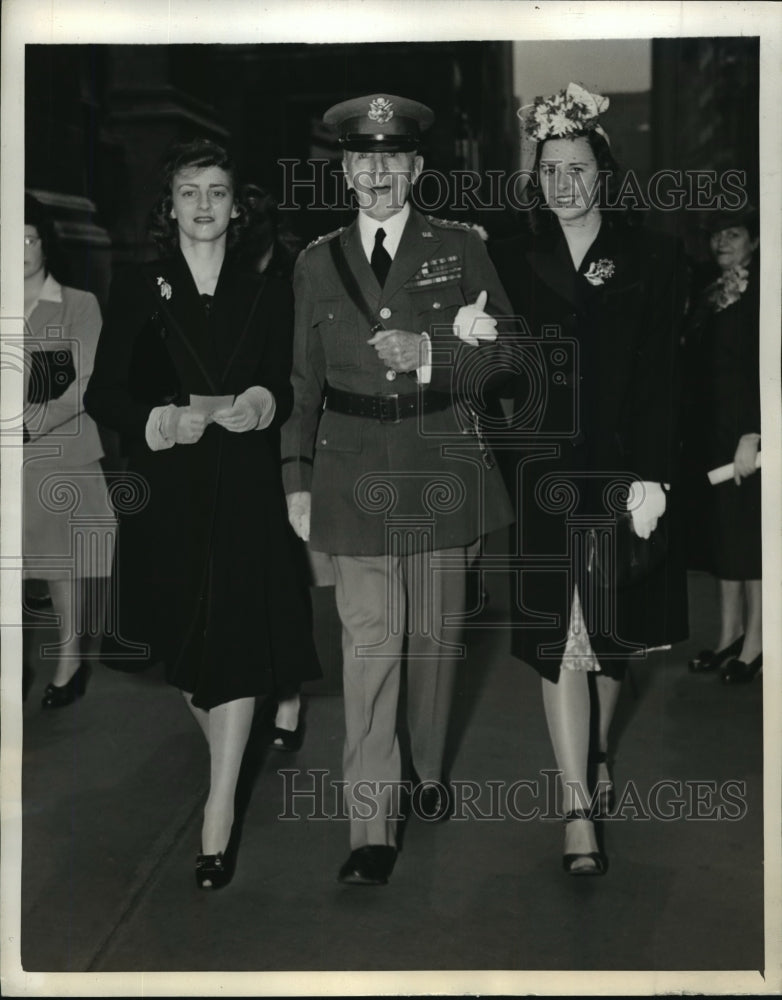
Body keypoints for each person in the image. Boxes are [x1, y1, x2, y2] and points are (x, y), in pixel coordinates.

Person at [281, 93, 515, 886]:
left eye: (393, 159)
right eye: (362, 159)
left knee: (436, 645)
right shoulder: (316, 263)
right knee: (368, 649)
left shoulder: (461, 249)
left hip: (443, 468)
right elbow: (300, 383)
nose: (377, 173)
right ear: (344, 170)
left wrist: (432, 353)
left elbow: (511, 358)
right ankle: (371, 828)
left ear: (416, 168)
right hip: (352, 479)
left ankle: (428, 769)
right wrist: (295, 477)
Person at [84, 138, 321, 889]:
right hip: (171, 490)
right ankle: (239, 747)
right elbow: (103, 394)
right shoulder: (136, 285)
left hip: (245, 489)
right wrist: (158, 419)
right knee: (188, 650)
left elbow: (284, 382)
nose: (205, 206)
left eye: (218, 192)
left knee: (236, 642)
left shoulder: (266, 291)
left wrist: (263, 401)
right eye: (190, 192)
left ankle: (219, 813)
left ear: (237, 207)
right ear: (170, 207)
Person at [490, 83, 688, 875]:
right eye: (549, 171)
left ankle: (598, 751)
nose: (563, 184)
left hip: (622, 475)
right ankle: (577, 808)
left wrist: (657, 480)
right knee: (561, 642)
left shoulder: (656, 259)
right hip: (544, 479)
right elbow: (496, 380)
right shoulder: (508, 260)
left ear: (601, 172)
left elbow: (668, 381)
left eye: (576, 168)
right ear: (535, 180)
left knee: (614, 646)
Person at [22, 193, 116, 708]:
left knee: (61, 567)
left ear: (46, 243)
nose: (19, 251)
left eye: (30, 239)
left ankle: (68, 659)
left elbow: (85, 382)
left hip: (59, 452)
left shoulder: (78, 304)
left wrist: (28, 423)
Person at [685, 207, 761, 683]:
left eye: (733, 234)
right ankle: (729, 633)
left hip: (746, 438)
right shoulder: (711, 292)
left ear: (753, 241)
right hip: (712, 435)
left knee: (750, 541)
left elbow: (763, 369)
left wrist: (754, 435)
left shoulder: (761, 294)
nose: (722, 242)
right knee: (724, 540)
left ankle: (756, 643)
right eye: (716, 235)